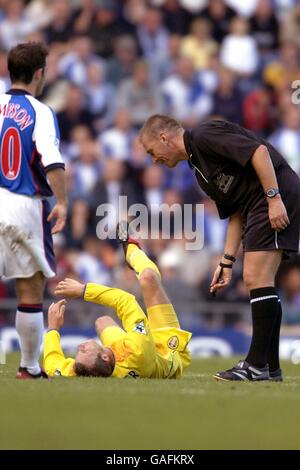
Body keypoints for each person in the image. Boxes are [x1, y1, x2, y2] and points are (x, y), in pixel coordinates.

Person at [139, 114, 300, 382]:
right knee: (260, 280)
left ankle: (256, 365)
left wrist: (274, 199)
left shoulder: (204, 135)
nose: (153, 159)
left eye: (151, 151)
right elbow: (235, 213)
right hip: (257, 204)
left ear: (164, 138)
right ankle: (270, 367)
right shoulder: (199, 170)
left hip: (273, 194)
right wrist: (226, 261)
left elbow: (259, 153)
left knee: (255, 278)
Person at [43, 224, 192, 378]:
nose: (80, 346)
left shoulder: (81, 370)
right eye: (83, 350)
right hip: (167, 348)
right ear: (105, 357)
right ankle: (132, 250)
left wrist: (53, 329)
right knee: (148, 278)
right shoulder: (137, 350)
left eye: (77, 354)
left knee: (103, 321)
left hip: (124, 354)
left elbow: (52, 366)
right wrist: (83, 290)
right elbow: (125, 300)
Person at [0, 42, 67, 379]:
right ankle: (28, 367)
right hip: (23, 203)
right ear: (40, 73)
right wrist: (64, 202)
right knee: (29, 288)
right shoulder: (40, 112)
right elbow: (51, 160)